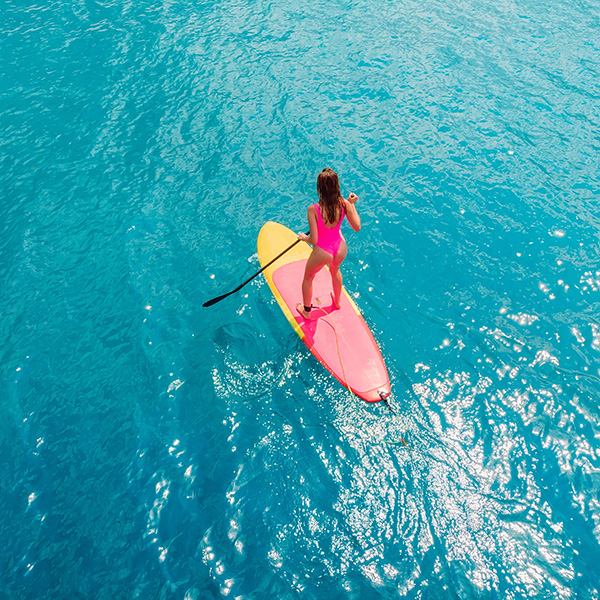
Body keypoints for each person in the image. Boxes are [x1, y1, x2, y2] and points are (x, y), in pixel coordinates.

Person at [296, 168, 361, 319]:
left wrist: (303, 238)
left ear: (320, 188)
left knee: (308, 277)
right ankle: (337, 302)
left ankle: (306, 311)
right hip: (340, 248)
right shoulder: (344, 203)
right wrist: (352, 205)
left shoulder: (313, 209)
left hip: (322, 252)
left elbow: (315, 240)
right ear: (336, 185)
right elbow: (357, 227)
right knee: (335, 269)